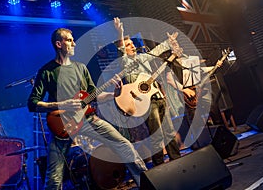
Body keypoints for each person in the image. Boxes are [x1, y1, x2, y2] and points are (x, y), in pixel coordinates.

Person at [27, 28, 148, 189]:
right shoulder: (46, 72)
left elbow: (93, 96)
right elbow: (33, 104)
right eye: (69, 40)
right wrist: (61, 104)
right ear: (58, 44)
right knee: (54, 176)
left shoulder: (81, 68)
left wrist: (114, 94)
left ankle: (148, 184)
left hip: (88, 120)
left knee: (125, 146)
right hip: (62, 126)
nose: (74, 43)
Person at [113, 17, 181, 167]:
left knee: (169, 131)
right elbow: (121, 50)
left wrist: (170, 42)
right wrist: (120, 32)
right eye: (128, 44)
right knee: (157, 135)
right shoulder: (124, 62)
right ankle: (160, 165)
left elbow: (158, 50)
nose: (131, 46)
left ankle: (177, 160)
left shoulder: (143, 57)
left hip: (157, 96)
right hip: (146, 102)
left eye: (131, 43)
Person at [166, 52, 224, 148]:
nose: (178, 47)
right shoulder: (170, 64)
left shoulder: (187, 59)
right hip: (187, 94)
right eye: (174, 45)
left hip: (198, 89)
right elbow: (169, 80)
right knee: (194, 118)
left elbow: (200, 70)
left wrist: (215, 66)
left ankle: (221, 135)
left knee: (213, 107)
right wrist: (184, 89)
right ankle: (201, 143)